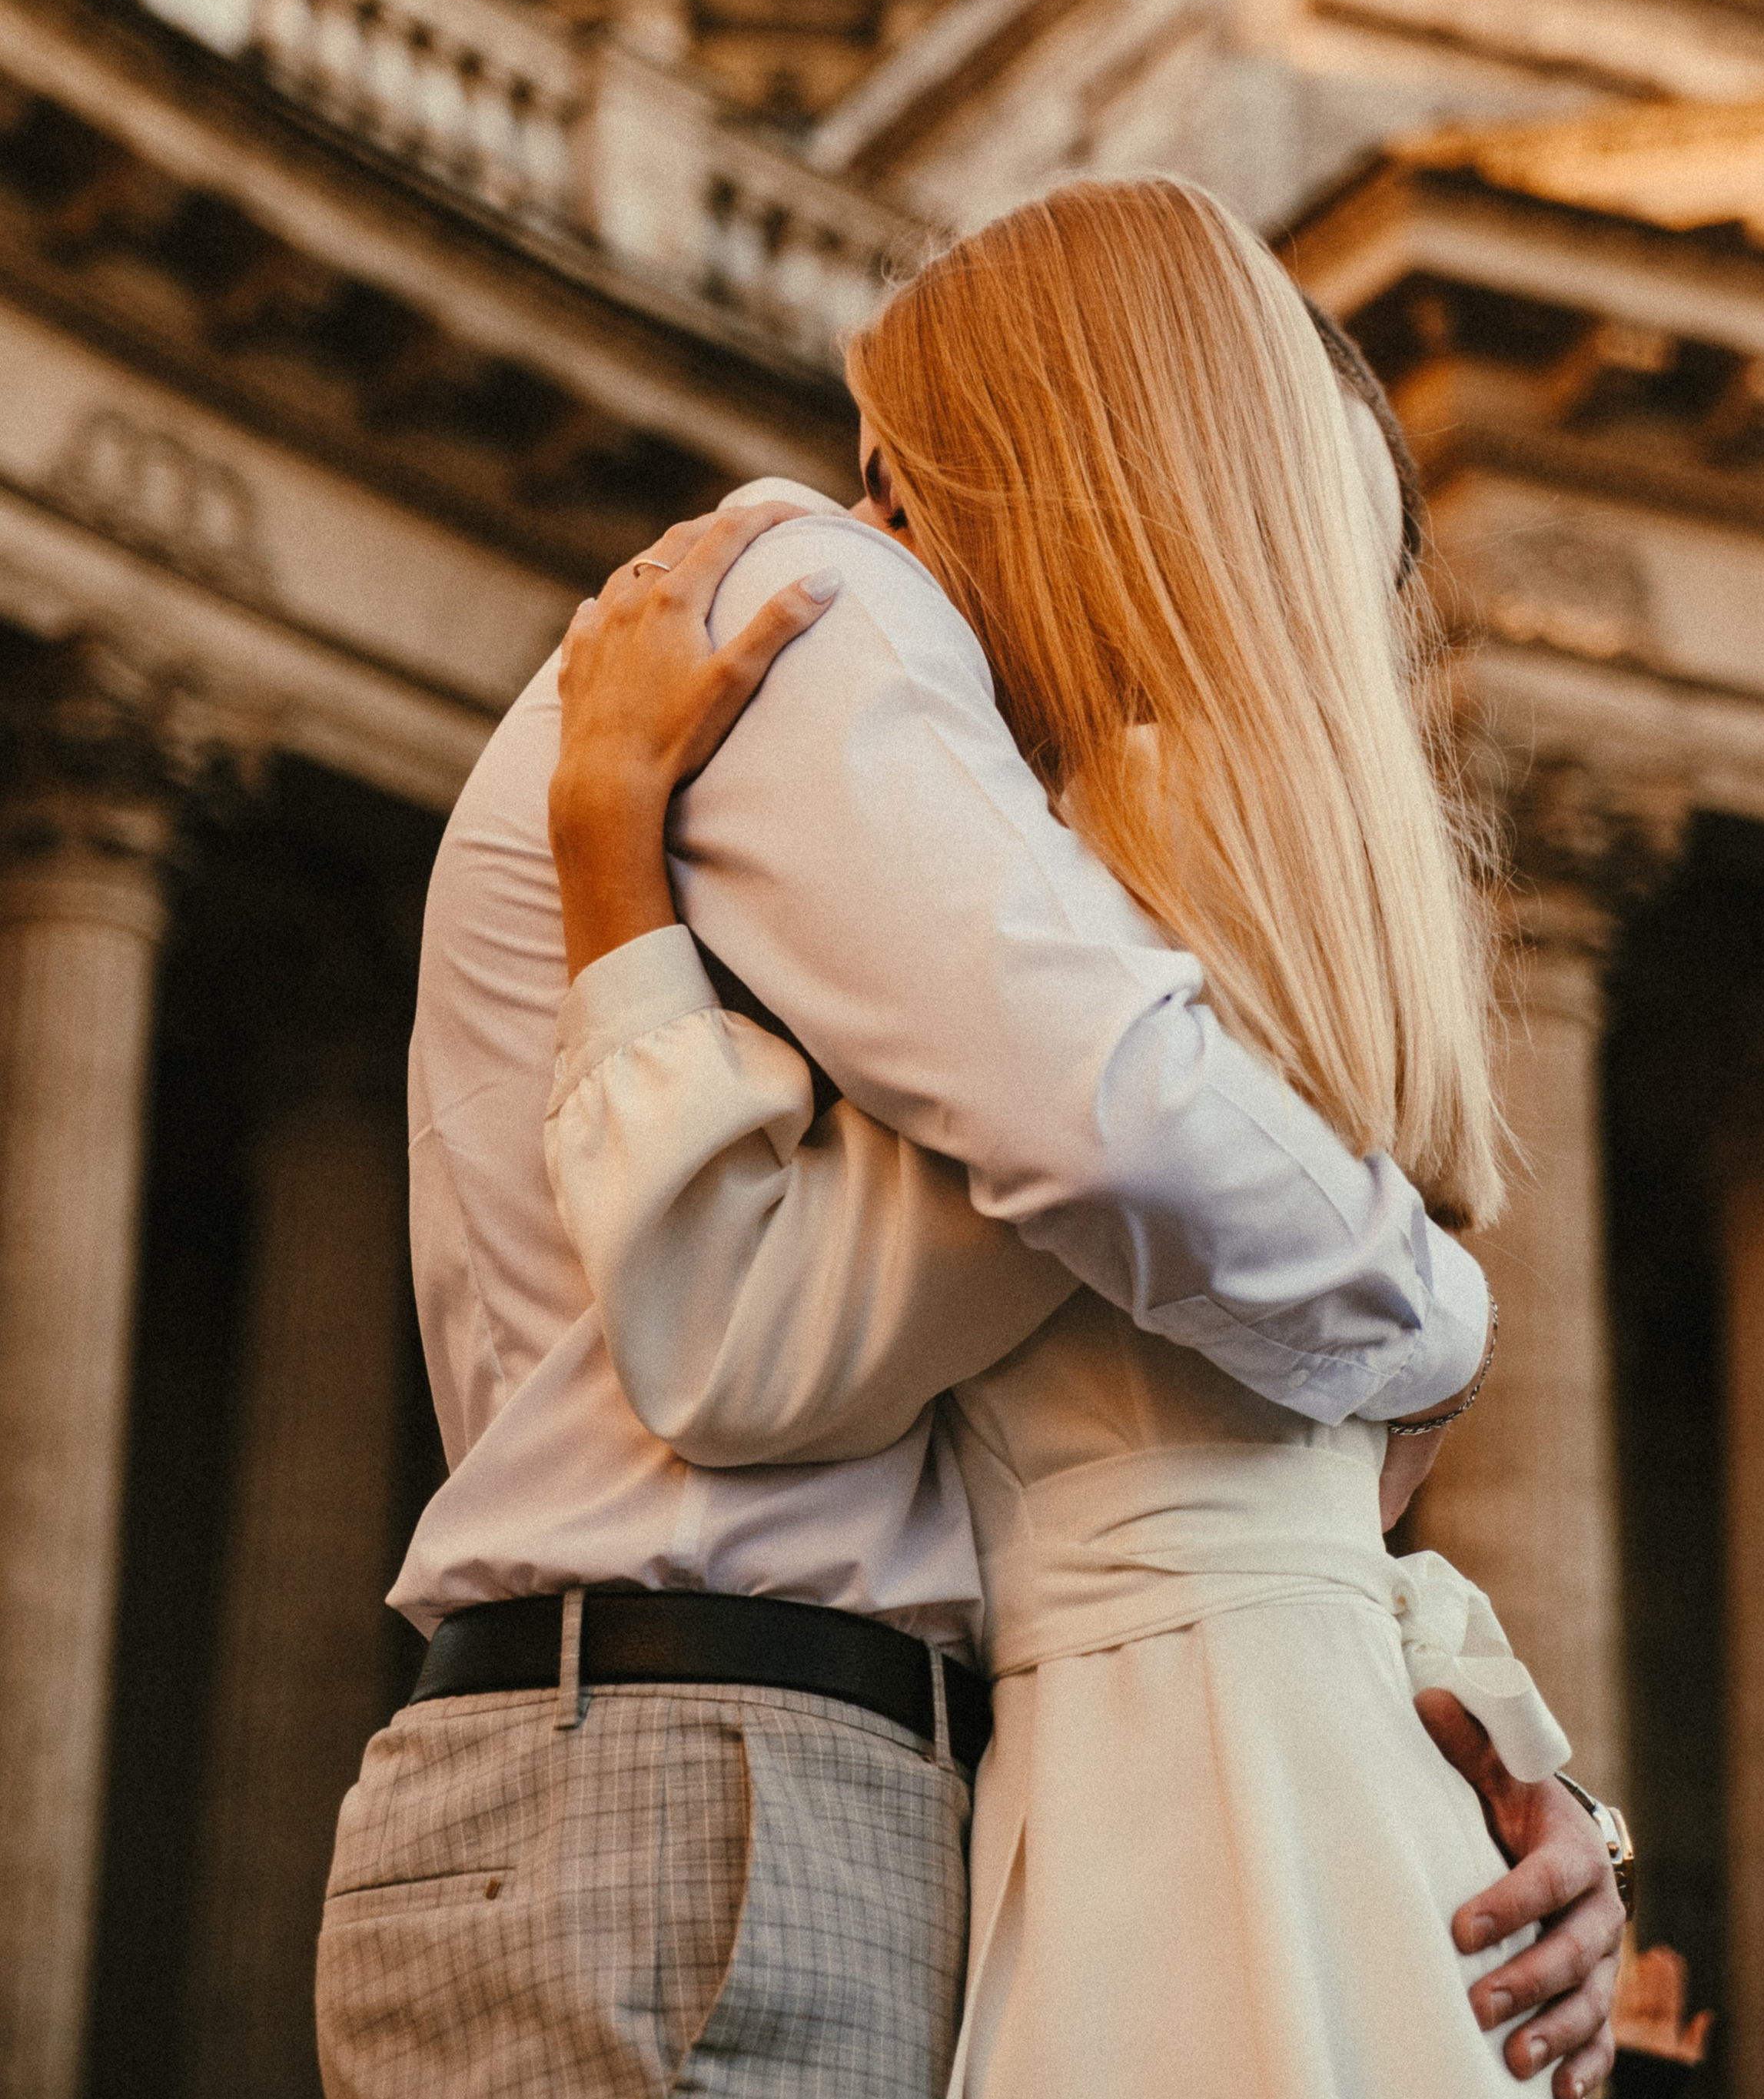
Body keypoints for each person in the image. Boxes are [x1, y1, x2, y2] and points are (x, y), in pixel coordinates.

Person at [314, 194, 1623, 2097]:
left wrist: (1524, 1748)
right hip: (729, 1769)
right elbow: (1097, 1152)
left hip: (865, 1781)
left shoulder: (1117, 875)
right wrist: (1441, 1318)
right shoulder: (818, 604)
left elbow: (1036, 1336)